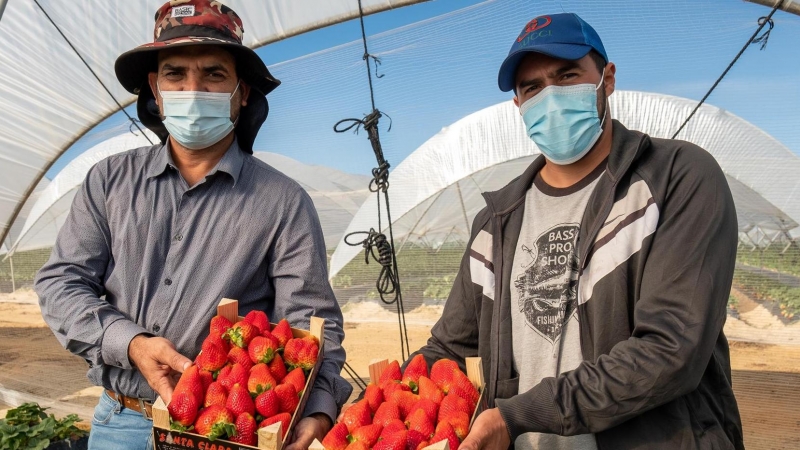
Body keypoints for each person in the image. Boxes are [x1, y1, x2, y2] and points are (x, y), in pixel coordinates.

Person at [407, 12, 744, 450]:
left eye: (567, 76)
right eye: (532, 87)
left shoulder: (676, 179)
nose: (551, 96)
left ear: (607, 78)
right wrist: (369, 405)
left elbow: (670, 349)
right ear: (519, 104)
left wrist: (516, 416)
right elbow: (448, 349)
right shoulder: (496, 222)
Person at [34, 2, 351, 449]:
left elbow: (310, 319)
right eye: (176, 74)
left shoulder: (283, 202)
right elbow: (62, 282)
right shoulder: (109, 182)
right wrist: (131, 343)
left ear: (242, 92)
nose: (193, 88)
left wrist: (318, 406)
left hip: (222, 433)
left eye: (214, 74)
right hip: (121, 417)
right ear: (155, 89)